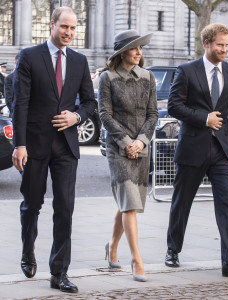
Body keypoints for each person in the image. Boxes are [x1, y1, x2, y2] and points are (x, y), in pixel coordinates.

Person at [12, 6, 96, 293]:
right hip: (34, 144)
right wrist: (19, 145)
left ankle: (59, 272)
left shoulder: (79, 61)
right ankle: (28, 251)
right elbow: (20, 103)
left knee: (65, 209)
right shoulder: (30, 56)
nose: (69, 33)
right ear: (52, 25)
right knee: (32, 204)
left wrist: (77, 116)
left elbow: (89, 102)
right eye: (65, 27)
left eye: (74, 28)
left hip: (66, 146)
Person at [165, 23, 228, 278]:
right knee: (181, 203)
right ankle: (172, 250)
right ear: (207, 43)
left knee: (227, 205)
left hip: (223, 151)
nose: (224, 49)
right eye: (220, 45)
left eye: (227, 45)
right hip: (193, 147)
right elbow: (174, 106)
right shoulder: (186, 71)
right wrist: (204, 118)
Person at [98, 29, 158, 282]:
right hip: (118, 150)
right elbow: (105, 115)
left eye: (140, 49)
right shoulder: (107, 78)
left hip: (141, 149)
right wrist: (126, 143)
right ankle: (136, 259)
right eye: (134, 48)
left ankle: (111, 248)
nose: (139, 52)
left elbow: (153, 115)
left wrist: (141, 142)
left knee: (127, 204)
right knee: (130, 203)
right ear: (122, 52)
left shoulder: (148, 77)